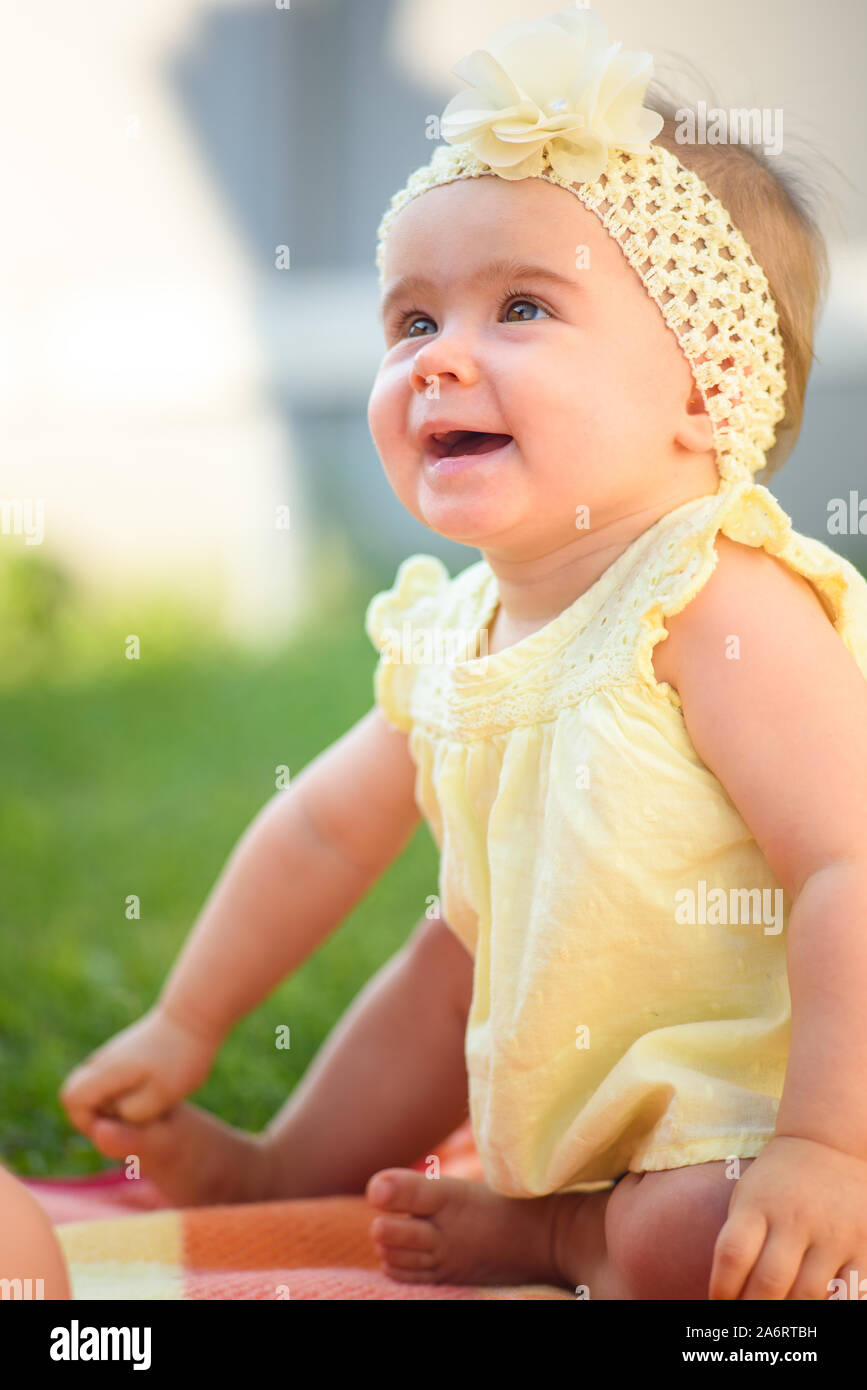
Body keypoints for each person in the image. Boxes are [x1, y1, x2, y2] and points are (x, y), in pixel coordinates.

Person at [60, 8, 867, 1299]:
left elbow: (848, 860)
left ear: (704, 391)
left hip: (760, 1095)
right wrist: (187, 1017)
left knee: (698, 1244)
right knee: (458, 945)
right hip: (582, 1053)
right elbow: (320, 831)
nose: (439, 361)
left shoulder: (719, 599)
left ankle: (563, 1238)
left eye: (523, 307)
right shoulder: (452, 631)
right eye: (412, 319)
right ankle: (289, 1172)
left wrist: (830, 1145)